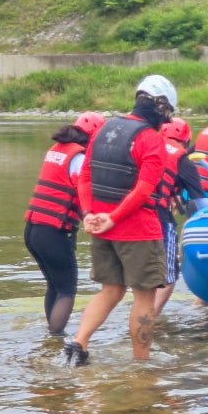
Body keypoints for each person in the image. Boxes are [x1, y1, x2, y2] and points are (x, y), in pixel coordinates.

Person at [63, 74, 176, 366]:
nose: (167, 119)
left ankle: (78, 344)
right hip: (136, 230)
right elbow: (144, 189)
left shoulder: (104, 129)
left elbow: (85, 175)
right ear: (161, 106)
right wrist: (113, 218)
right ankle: (142, 365)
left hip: (100, 226)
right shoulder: (151, 140)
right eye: (168, 112)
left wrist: (89, 214)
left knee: (111, 290)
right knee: (144, 298)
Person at [24, 111, 106, 336]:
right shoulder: (79, 158)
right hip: (53, 231)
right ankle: (56, 338)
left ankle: (51, 337)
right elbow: (84, 194)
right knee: (67, 289)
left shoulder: (57, 150)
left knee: (54, 285)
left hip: (33, 230)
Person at [154, 116, 208, 316]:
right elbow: (201, 203)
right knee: (170, 275)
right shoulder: (183, 161)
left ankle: (140, 313)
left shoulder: (149, 144)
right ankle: (151, 317)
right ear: (186, 141)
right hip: (159, 217)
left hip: (135, 214)